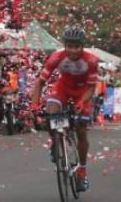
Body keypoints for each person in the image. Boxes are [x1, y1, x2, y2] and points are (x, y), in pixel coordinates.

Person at [31, 26, 99, 192]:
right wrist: (35, 104)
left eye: (76, 46)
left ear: (82, 47)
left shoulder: (91, 61)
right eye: (69, 46)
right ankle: (55, 140)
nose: (72, 50)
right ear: (64, 45)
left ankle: (82, 170)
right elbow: (40, 83)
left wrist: (83, 102)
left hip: (83, 92)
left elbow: (91, 87)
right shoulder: (56, 57)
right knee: (51, 110)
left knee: (81, 129)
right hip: (63, 88)